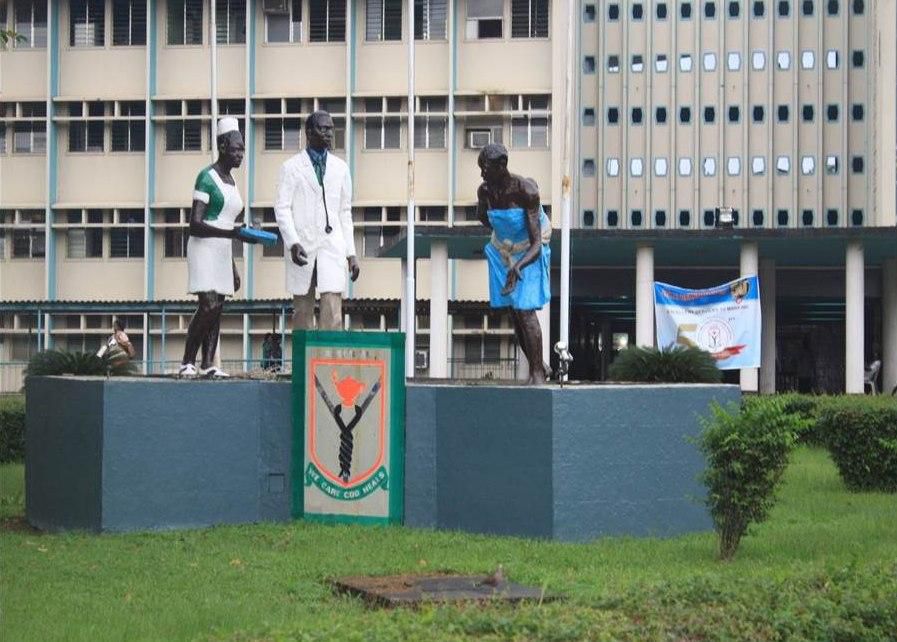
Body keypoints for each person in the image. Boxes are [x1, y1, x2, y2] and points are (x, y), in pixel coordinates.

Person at [178, 117, 261, 377]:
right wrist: (233, 233)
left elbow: (229, 224)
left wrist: (234, 262)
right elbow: (195, 224)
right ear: (222, 146)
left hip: (223, 250)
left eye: (243, 149)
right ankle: (187, 361)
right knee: (208, 305)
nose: (240, 154)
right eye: (236, 149)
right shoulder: (206, 178)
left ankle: (208, 364)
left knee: (218, 309)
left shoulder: (233, 182)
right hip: (204, 247)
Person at [274, 110, 360, 331]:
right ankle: (304, 364)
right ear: (309, 133)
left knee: (333, 311)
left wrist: (351, 254)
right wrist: (293, 242)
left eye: (331, 129)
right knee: (303, 312)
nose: (329, 133)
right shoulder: (291, 168)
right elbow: (282, 209)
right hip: (302, 246)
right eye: (323, 129)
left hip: (332, 246)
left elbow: (345, 212)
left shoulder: (341, 169)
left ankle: (331, 362)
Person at [476, 143, 551, 385]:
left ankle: (538, 374)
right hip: (502, 250)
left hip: (528, 251)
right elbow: (483, 218)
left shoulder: (525, 191)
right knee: (514, 311)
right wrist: (504, 234)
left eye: (485, 168)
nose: (482, 174)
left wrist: (519, 266)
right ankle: (538, 364)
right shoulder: (485, 191)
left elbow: (537, 243)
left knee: (525, 308)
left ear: (501, 165)